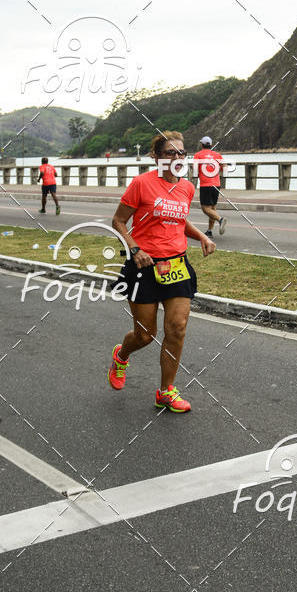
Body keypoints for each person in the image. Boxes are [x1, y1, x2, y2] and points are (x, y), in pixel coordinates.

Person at [108, 131, 216, 412]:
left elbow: (179, 221)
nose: (178, 157)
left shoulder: (186, 188)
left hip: (176, 265)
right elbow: (118, 221)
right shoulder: (142, 184)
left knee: (177, 328)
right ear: (156, 157)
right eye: (170, 153)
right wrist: (134, 249)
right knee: (145, 334)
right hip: (143, 265)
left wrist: (201, 237)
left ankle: (166, 391)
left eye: (181, 153)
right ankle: (121, 355)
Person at [193, 135, 226, 238]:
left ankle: (220, 220)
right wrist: (216, 171)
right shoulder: (217, 155)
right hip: (216, 184)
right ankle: (209, 231)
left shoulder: (198, 155)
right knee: (212, 208)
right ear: (211, 145)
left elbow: (195, 171)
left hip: (205, 185)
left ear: (202, 145)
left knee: (205, 209)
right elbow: (225, 167)